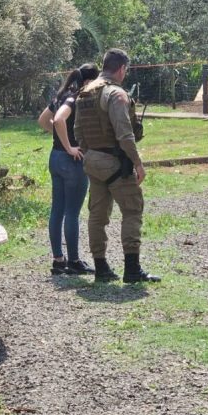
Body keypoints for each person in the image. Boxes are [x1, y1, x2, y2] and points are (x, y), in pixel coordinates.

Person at [74, 48, 161, 283]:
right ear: (122, 69)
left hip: (92, 160)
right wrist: (138, 164)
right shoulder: (116, 94)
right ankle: (132, 269)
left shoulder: (85, 93)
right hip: (114, 162)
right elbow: (125, 135)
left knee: (97, 215)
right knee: (132, 209)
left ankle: (101, 268)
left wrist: (91, 153)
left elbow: (77, 132)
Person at [38, 63, 100, 275]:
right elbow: (58, 119)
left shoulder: (61, 95)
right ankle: (73, 261)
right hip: (71, 161)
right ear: (87, 82)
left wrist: (58, 137)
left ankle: (58, 260)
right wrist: (69, 146)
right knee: (72, 213)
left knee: (57, 210)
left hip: (54, 159)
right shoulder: (75, 99)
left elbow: (43, 120)